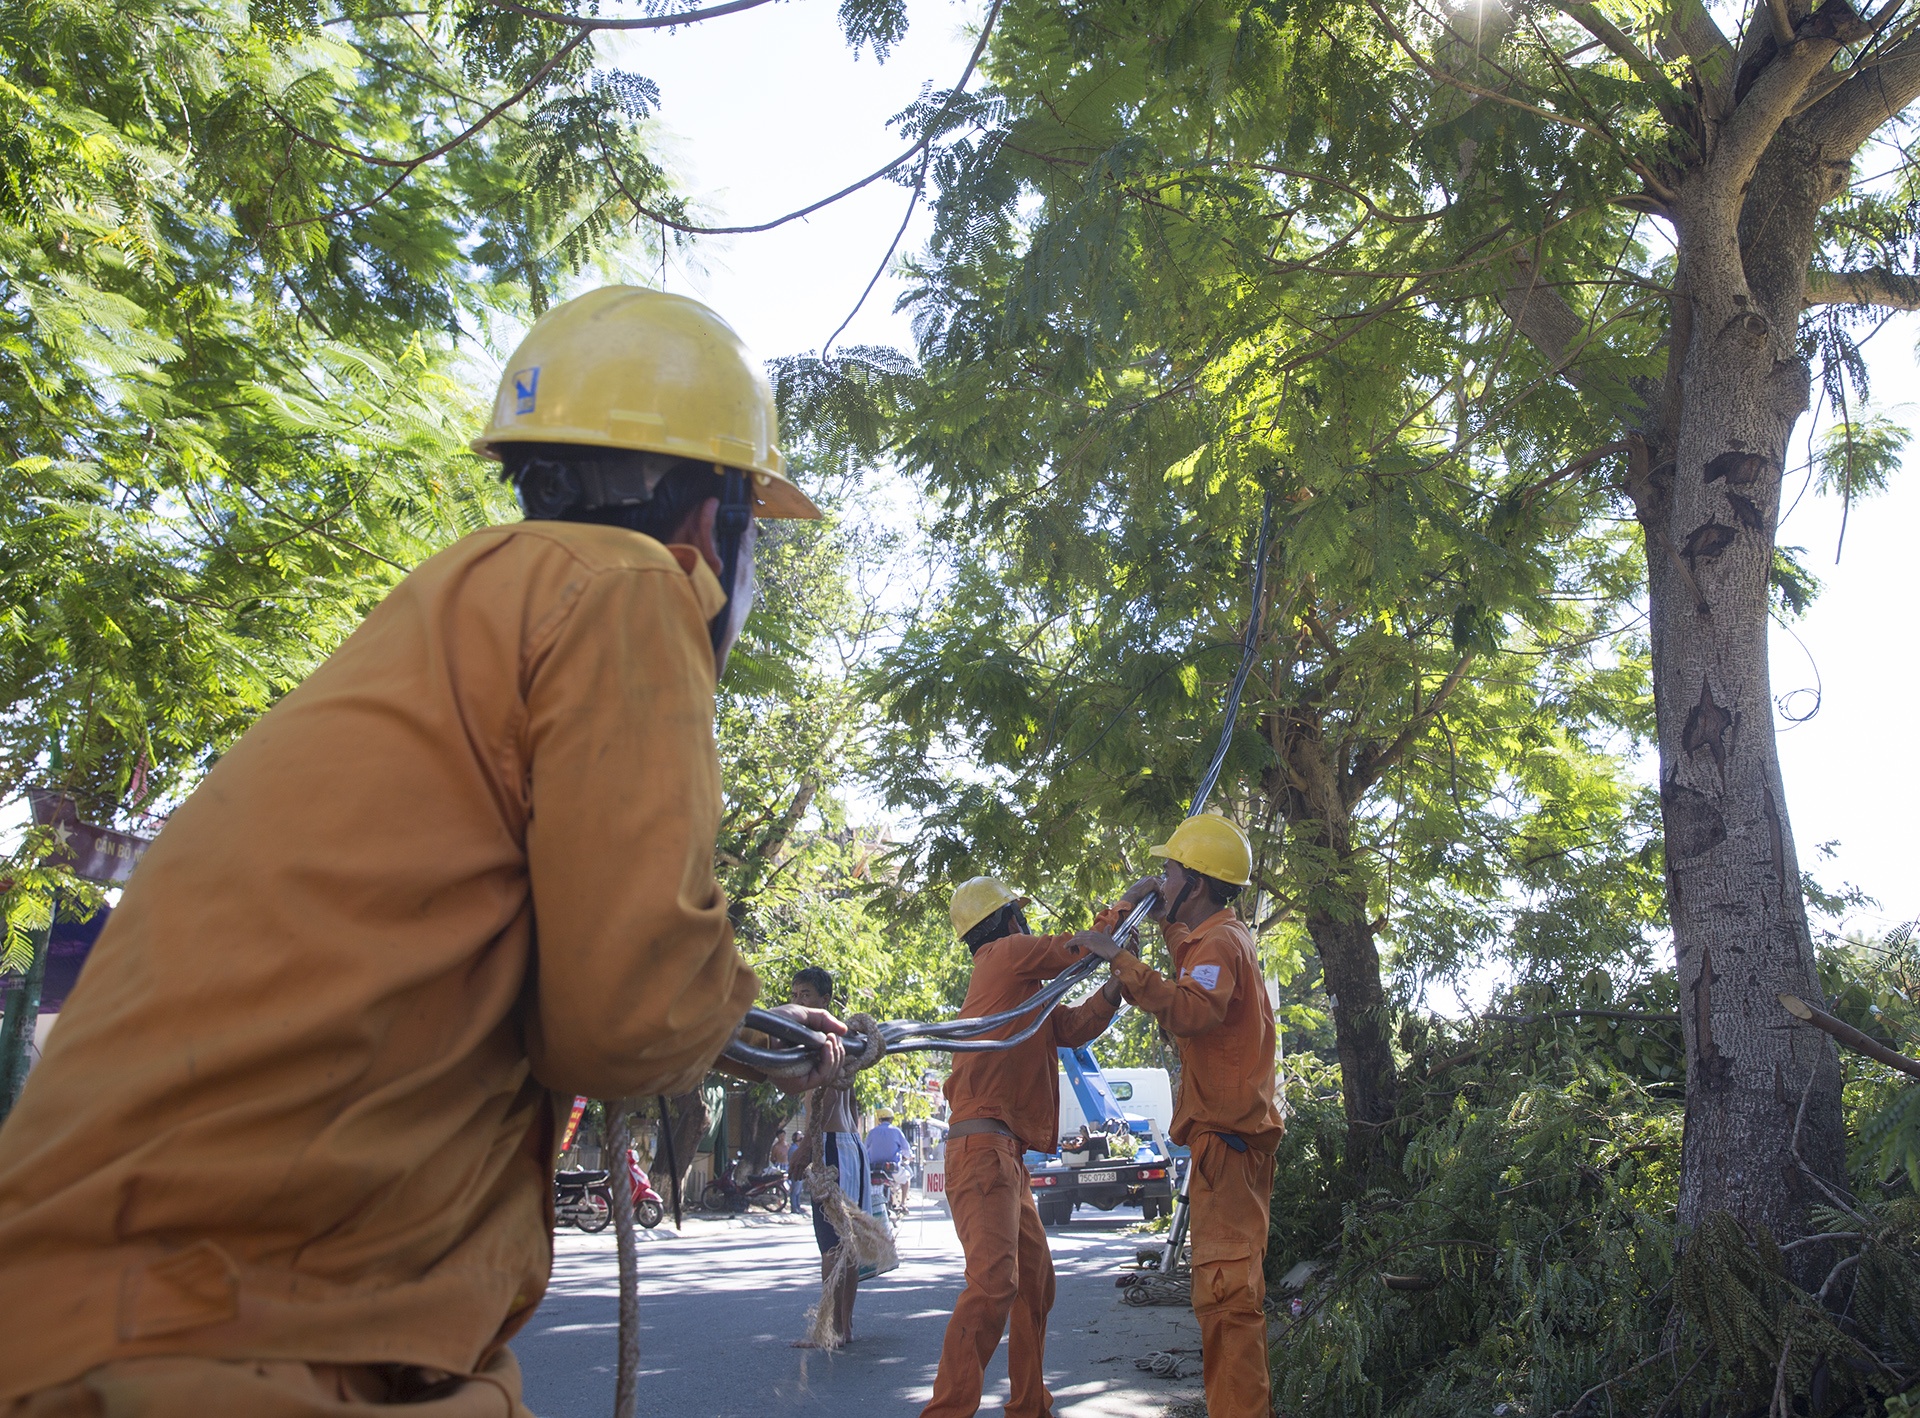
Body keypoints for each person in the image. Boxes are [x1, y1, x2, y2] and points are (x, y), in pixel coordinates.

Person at [0, 287, 849, 1417]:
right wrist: (749, 1023)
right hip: (242, 1337)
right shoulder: (630, 592)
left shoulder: (455, 608)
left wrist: (734, 1023)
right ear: (716, 519)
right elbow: (628, 1017)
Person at [1076, 813, 1284, 1418]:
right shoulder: (1212, 939)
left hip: (1230, 1146)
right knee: (1223, 1303)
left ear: (1195, 882)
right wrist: (1136, 905)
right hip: (1228, 1148)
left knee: (1228, 1304)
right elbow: (1187, 963)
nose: (1159, 880)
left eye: (1168, 872)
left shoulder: (1219, 943)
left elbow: (1191, 1011)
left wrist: (1121, 959)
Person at [921, 877, 1128, 1418]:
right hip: (983, 1153)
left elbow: (1072, 1026)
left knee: (1034, 1283)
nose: (1026, 923)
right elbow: (1077, 946)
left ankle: (1030, 1407)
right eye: (1021, 913)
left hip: (1003, 1158)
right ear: (1009, 918)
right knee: (994, 1285)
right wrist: (1129, 900)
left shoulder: (1022, 992)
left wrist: (1115, 989)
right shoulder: (1004, 955)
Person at [786, 966, 868, 1347]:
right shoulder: (844, 1042)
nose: (798, 1002)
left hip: (834, 1145)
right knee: (845, 1244)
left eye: (805, 995)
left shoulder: (827, 1042)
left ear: (824, 1001)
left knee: (832, 1245)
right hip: (850, 1147)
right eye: (795, 995)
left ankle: (833, 1330)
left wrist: (804, 1148)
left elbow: (829, 1096)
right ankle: (843, 1327)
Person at [866, 1109, 910, 1211]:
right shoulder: (896, 1131)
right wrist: (908, 1157)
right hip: (891, 1169)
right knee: (906, 1180)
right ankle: (903, 1204)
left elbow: (865, 1148)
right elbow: (906, 1150)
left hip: (874, 1168)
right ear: (891, 1119)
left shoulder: (872, 1132)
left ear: (879, 1119)